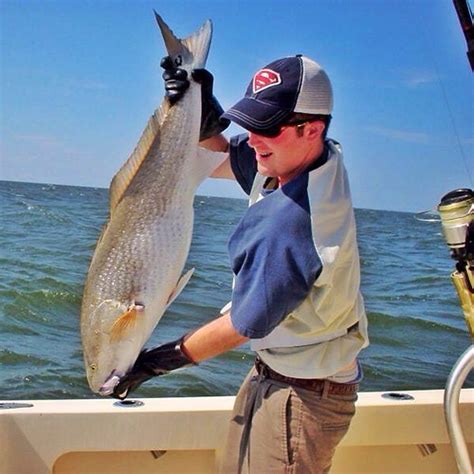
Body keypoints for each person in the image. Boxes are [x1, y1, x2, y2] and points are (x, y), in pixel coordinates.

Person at [113, 54, 369, 474]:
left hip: (303, 397)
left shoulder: (292, 223)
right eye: (250, 122)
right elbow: (219, 159)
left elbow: (242, 325)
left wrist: (153, 362)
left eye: (266, 127)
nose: (251, 138)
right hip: (282, 372)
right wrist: (198, 110)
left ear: (313, 129)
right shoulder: (313, 160)